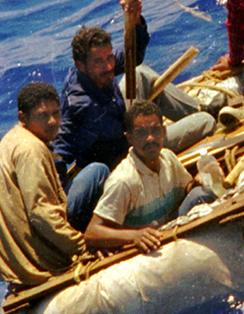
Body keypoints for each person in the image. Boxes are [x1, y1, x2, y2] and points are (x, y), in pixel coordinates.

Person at [52, 0, 218, 230]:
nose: (109, 67)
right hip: (130, 150)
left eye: (109, 57)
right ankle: (205, 114)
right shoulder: (83, 105)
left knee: (138, 72)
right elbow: (60, 151)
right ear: (81, 65)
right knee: (206, 122)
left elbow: (133, 57)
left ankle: (194, 107)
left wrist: (136, 19)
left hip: (126, 130)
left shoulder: (90, 72)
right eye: (99, 62)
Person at [0, 81, 86, 288]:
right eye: (42, 116)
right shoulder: (31, 150)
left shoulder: (15, 137)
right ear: (23, 117)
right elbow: (41, 213)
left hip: (19, 262)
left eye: (56, 113)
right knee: (96, 173)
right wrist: (83, 245)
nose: (52, 121)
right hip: (40, 262)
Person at [83, 100, 217, 252]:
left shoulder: (168, 158)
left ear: (164, 132)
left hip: (169, 227)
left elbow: (186, 190)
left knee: (201, 193)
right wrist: (134, 236)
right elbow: (91, 233)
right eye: (141, 133)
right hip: (148, 244)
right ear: (129, 138)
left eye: (156, 130)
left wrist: (197, 182)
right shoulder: (123, 181)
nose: (150, 138)